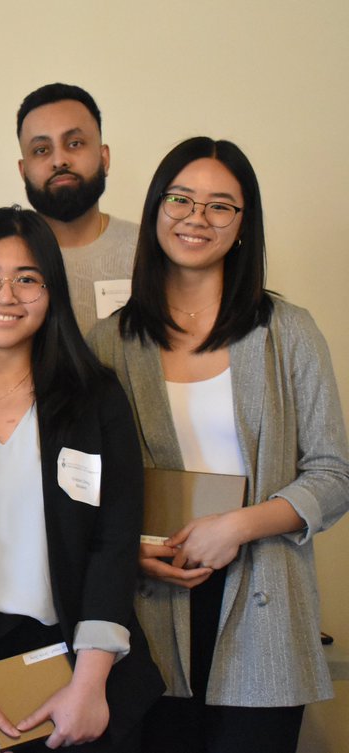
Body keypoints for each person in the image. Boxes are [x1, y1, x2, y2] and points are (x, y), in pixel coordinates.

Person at [89, 138, 349, 753]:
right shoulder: (110, 343)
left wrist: (235, 526)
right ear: (156, 211)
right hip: (151, 608)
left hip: (265, 608)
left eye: (220, 206)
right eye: (180, 199)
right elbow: (89, 486)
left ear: (243, 225)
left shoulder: (288, 332)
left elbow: (333, 474)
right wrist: (129, 555)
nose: (196, 218)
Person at [0, 207, 162, 753]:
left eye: (28, 278)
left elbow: (114, 543)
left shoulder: (95, 398)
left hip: (80, 664)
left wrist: (89, 683)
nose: (6, 294)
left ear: (51, 293)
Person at [17, 83, 138, 336]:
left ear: (104, 158)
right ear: (23, 170)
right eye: (41, 150)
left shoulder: (149, 250)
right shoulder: (2, 261)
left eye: (74, 143)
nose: (59, 160)